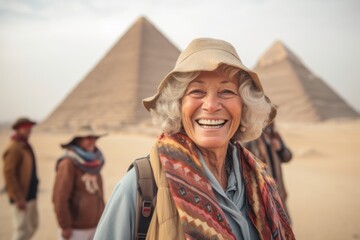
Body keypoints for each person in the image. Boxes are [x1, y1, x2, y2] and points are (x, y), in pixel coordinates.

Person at [94, 38, 295, 240]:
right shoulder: (140, 187)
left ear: (244, 106)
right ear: (178, 105)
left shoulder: (261, 180)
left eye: (226, 91)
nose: (211, 105)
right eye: (197, 91)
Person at [52, 125, 106, 240]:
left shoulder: (95, 163)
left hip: (96, 225)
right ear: (79, 140)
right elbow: (59, 198)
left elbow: (99, 193)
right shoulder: (68, 164)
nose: (92, 141)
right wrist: (65, 226)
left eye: (94, 138)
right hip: (76, 229)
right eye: (88, 138)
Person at [245, 121, 293, 221]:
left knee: (284, 225)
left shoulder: (274, 135)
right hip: (261, 190)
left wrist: (280, 148)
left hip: (278, 189)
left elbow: (288, 157)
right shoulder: (252, 136)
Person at [2, 117, 39, 240]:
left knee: (33, 225)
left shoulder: (25, 145)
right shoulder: (14, 147)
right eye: (25, 127)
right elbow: (9, 174)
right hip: (21, 197)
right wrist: (18, 197)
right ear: (18, 129)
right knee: (21, 230)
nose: (29, 130)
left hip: (30, 195)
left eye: (30, 127)